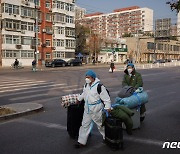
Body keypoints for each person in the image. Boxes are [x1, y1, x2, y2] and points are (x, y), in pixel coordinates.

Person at [75, 70, 111, 148]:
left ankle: (106, 138)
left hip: (96, 109)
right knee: (85, 125)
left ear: (93, 78)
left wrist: (107, 107)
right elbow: (84, 93)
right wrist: (79, 99)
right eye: (86, 77)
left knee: (100, 125)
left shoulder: (99, 87)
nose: (86, 79)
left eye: (88, 77)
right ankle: (81, 141)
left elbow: (106, 98)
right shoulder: (86, 85)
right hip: (87, 109)